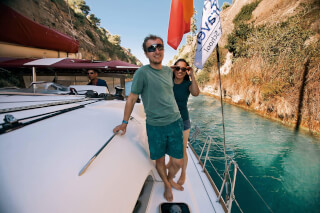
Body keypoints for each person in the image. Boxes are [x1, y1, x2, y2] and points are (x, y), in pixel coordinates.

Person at [113, 35, 184, 202]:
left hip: (175, 122)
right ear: (146, 53)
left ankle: (170, 177)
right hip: (155, 126)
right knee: (159, 161)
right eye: (151, 48)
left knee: (178, 162)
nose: (156, 51)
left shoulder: (168, 71)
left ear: (163, 50)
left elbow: (167, 92)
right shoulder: (142, 73)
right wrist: (124, 123)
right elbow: (131, 98)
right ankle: (167, 184)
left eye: (159, 46)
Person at [168, 59, 200, 185]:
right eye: (177, 68)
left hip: (183, 120)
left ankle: (183, 173)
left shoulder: (187, 84)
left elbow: (196, 93)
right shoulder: (168, 81)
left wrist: (192, 75)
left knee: (182, 150)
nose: (180, 71)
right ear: (174, 68)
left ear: (186, 71)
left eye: (183, 69)